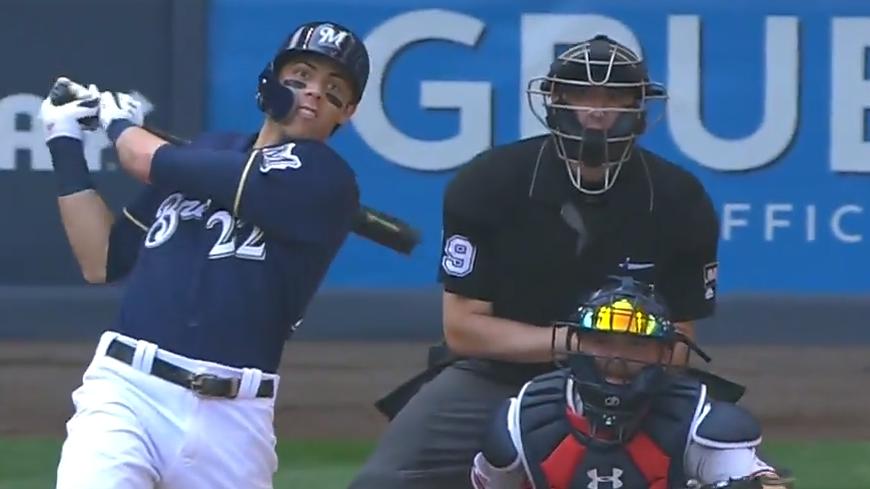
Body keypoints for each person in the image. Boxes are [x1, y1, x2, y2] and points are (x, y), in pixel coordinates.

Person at [351, 34, 720, 489]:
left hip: (633, 380)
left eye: (613, 97)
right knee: (385, 481)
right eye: (581, 94)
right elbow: (463, 328)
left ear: (638, 109)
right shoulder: (489, 182)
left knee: (737, 463)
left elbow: (680, 344)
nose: (597, 111)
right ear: (555, 102)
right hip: (500, 374)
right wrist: (578, 345)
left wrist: (613, 367)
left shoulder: (680, 198)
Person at [37, 20, 369, 489]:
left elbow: (141, 158)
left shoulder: (326, 179)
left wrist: (117, 123)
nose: (314, 91)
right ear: (271, 79)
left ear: (346, 113)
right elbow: (102, 260)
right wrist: (65, 141)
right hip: (128, 392)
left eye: (333, 89)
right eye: (301, 75)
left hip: (234, 419)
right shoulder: (211, 150)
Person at [470, 277, 793, 489]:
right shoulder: (522, 422)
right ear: (576, 343)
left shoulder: (697, 421)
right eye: (602, 341)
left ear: (665, 353)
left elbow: (767, 483)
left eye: (636, 345)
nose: (617, 358)